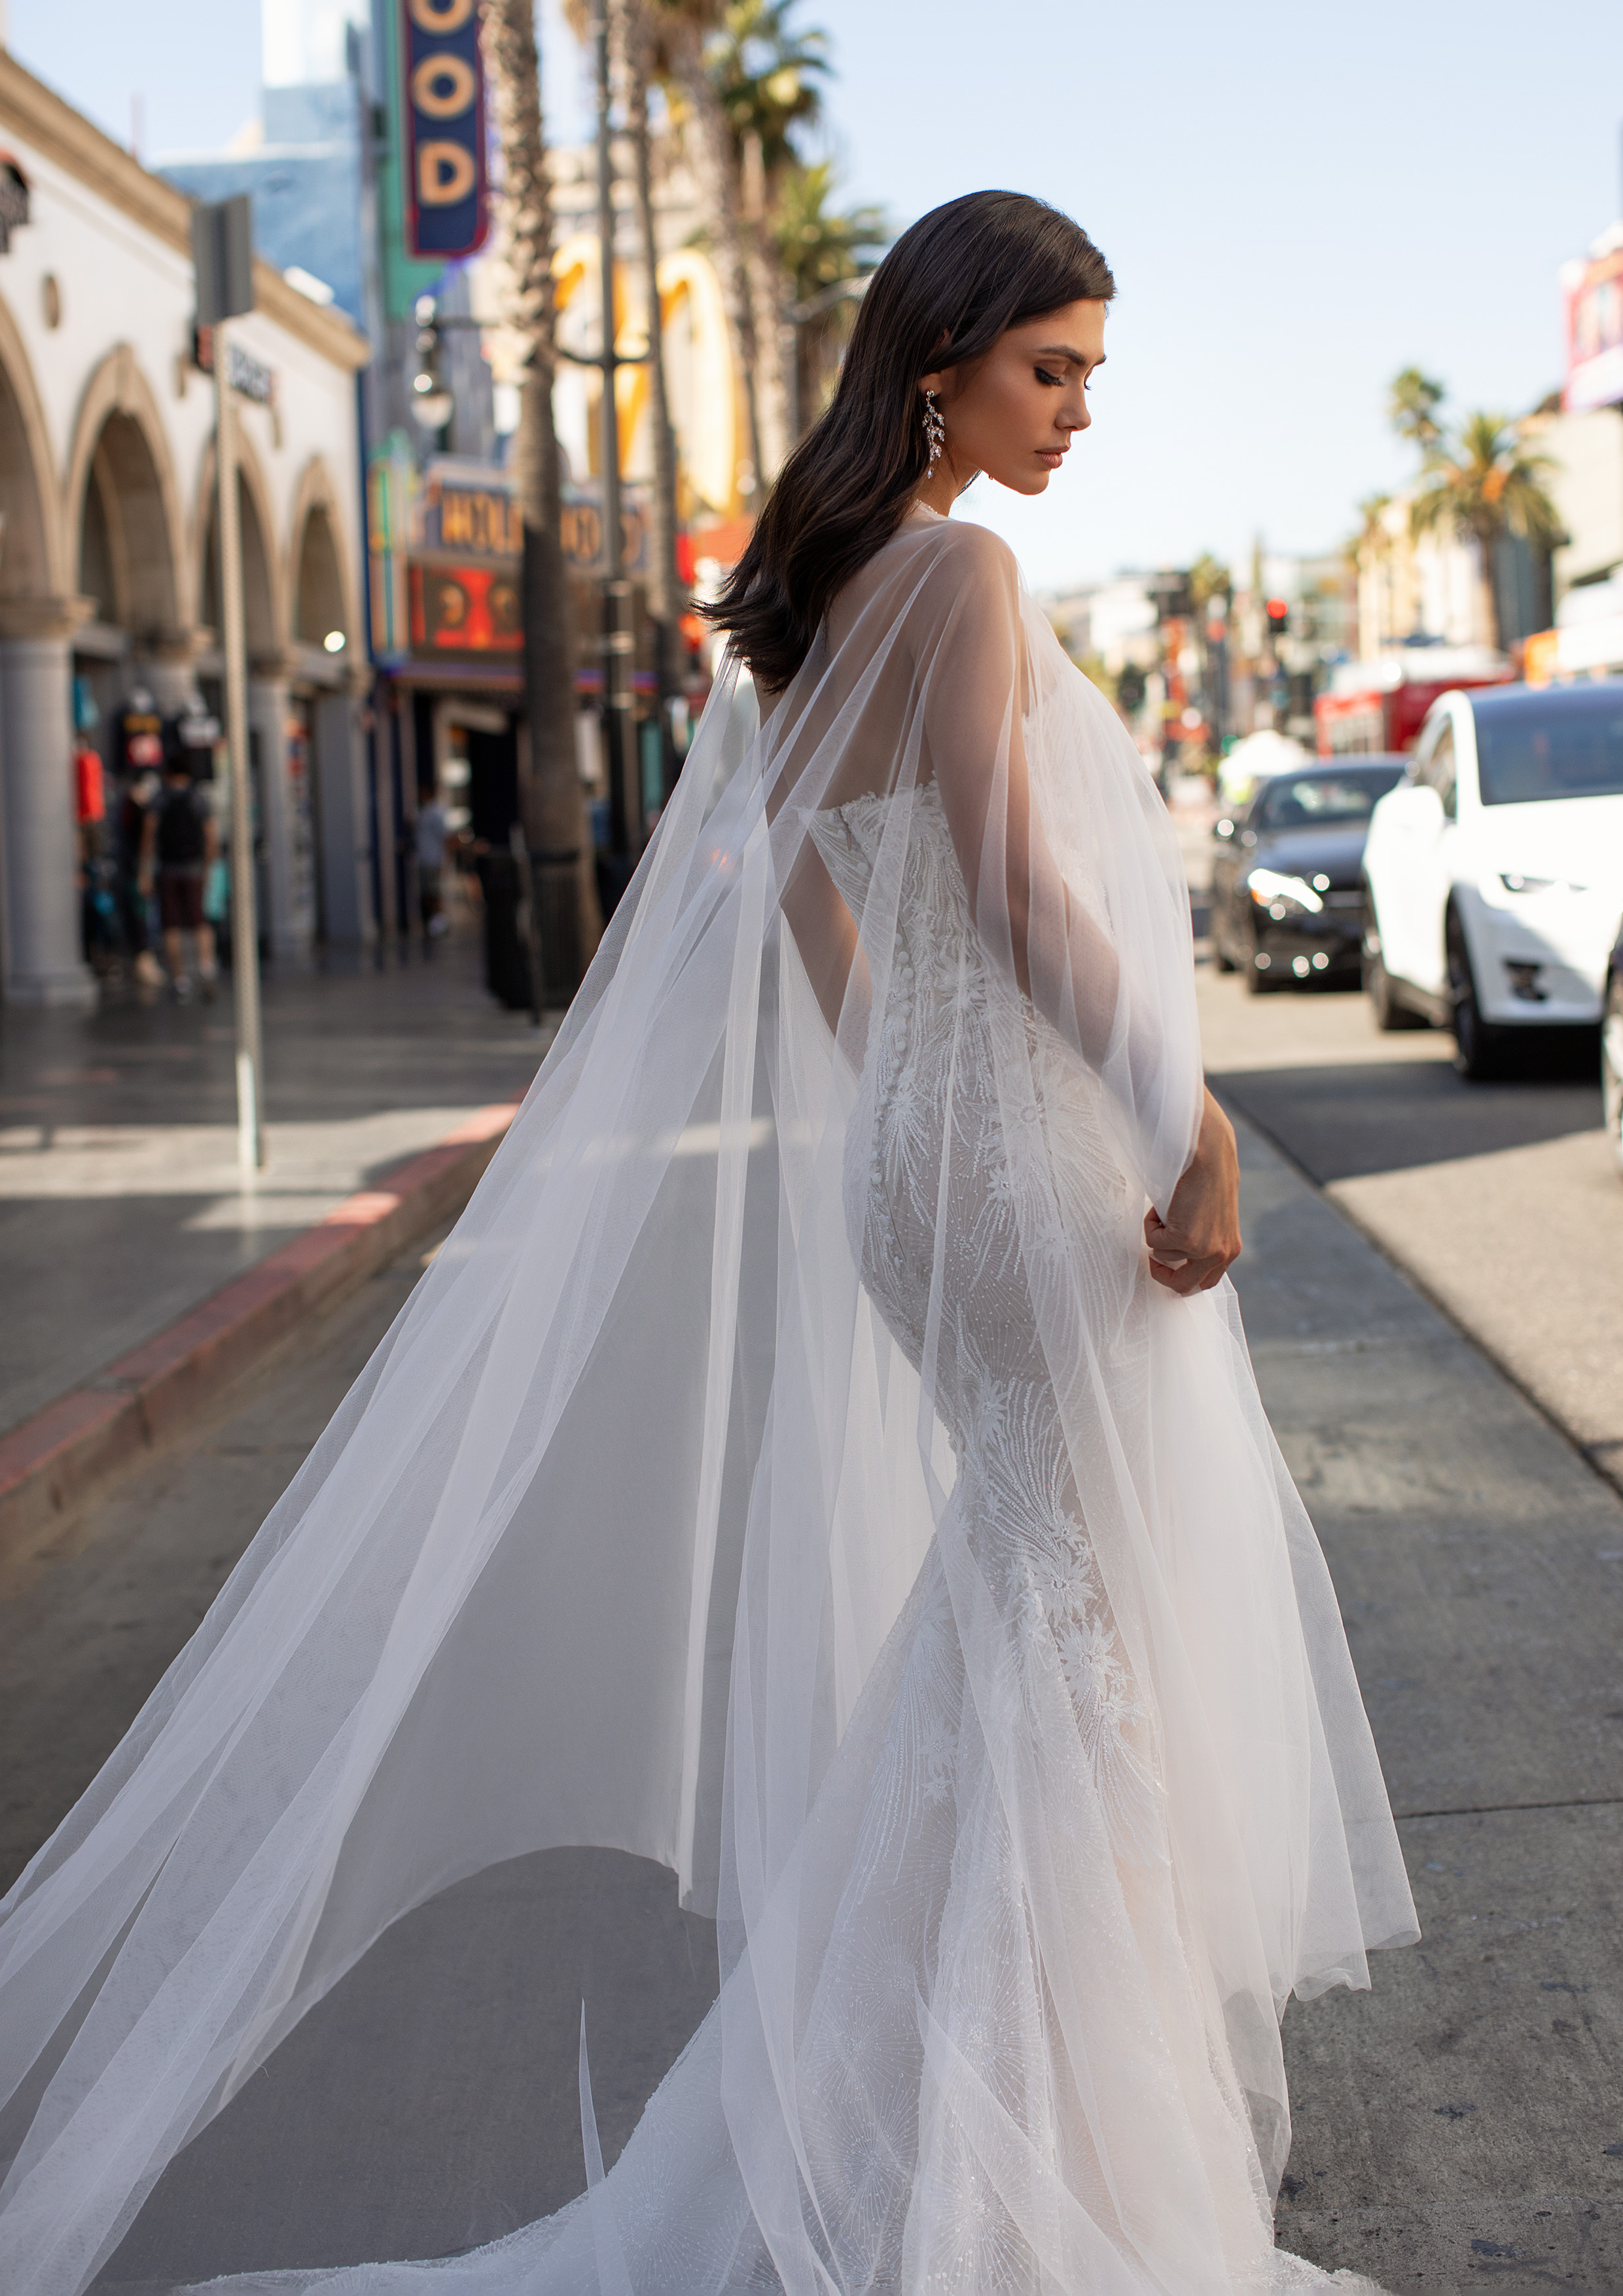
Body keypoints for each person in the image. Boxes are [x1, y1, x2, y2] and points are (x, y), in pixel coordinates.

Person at [0, 194, 1416, 2295]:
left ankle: (962, 2129)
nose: (1078, 412)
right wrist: (1183, 1111)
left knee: (1028, 1633)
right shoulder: (954, 567)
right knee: (1087, 1650)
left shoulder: (822, 598)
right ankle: (1033, 2186)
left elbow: (811, 904)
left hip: (931, 1153)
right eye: (1051, 369)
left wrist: (910, 1101)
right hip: (1020, 1151)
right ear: (939, 363)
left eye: (1095, 375)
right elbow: (1019, 893)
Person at [142, 751, 220, 1001]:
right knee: (200, 919)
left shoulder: (160, 798)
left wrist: (145, 869)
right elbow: (210, 835)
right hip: (194, 867)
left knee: (171, 923)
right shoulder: (198, 798)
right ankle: (206, 968)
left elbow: (149, 834)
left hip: (168, 867)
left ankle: (180, 978)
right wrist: (208, 866)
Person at [416, 789, 450, 940]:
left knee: (433, 891)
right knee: (427, 891)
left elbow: (444, 836)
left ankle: (439, 922)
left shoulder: (436, 813)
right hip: (424, 858)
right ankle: (435, 922)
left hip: (432, 859)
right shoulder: (423, 812)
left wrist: (444, 859)